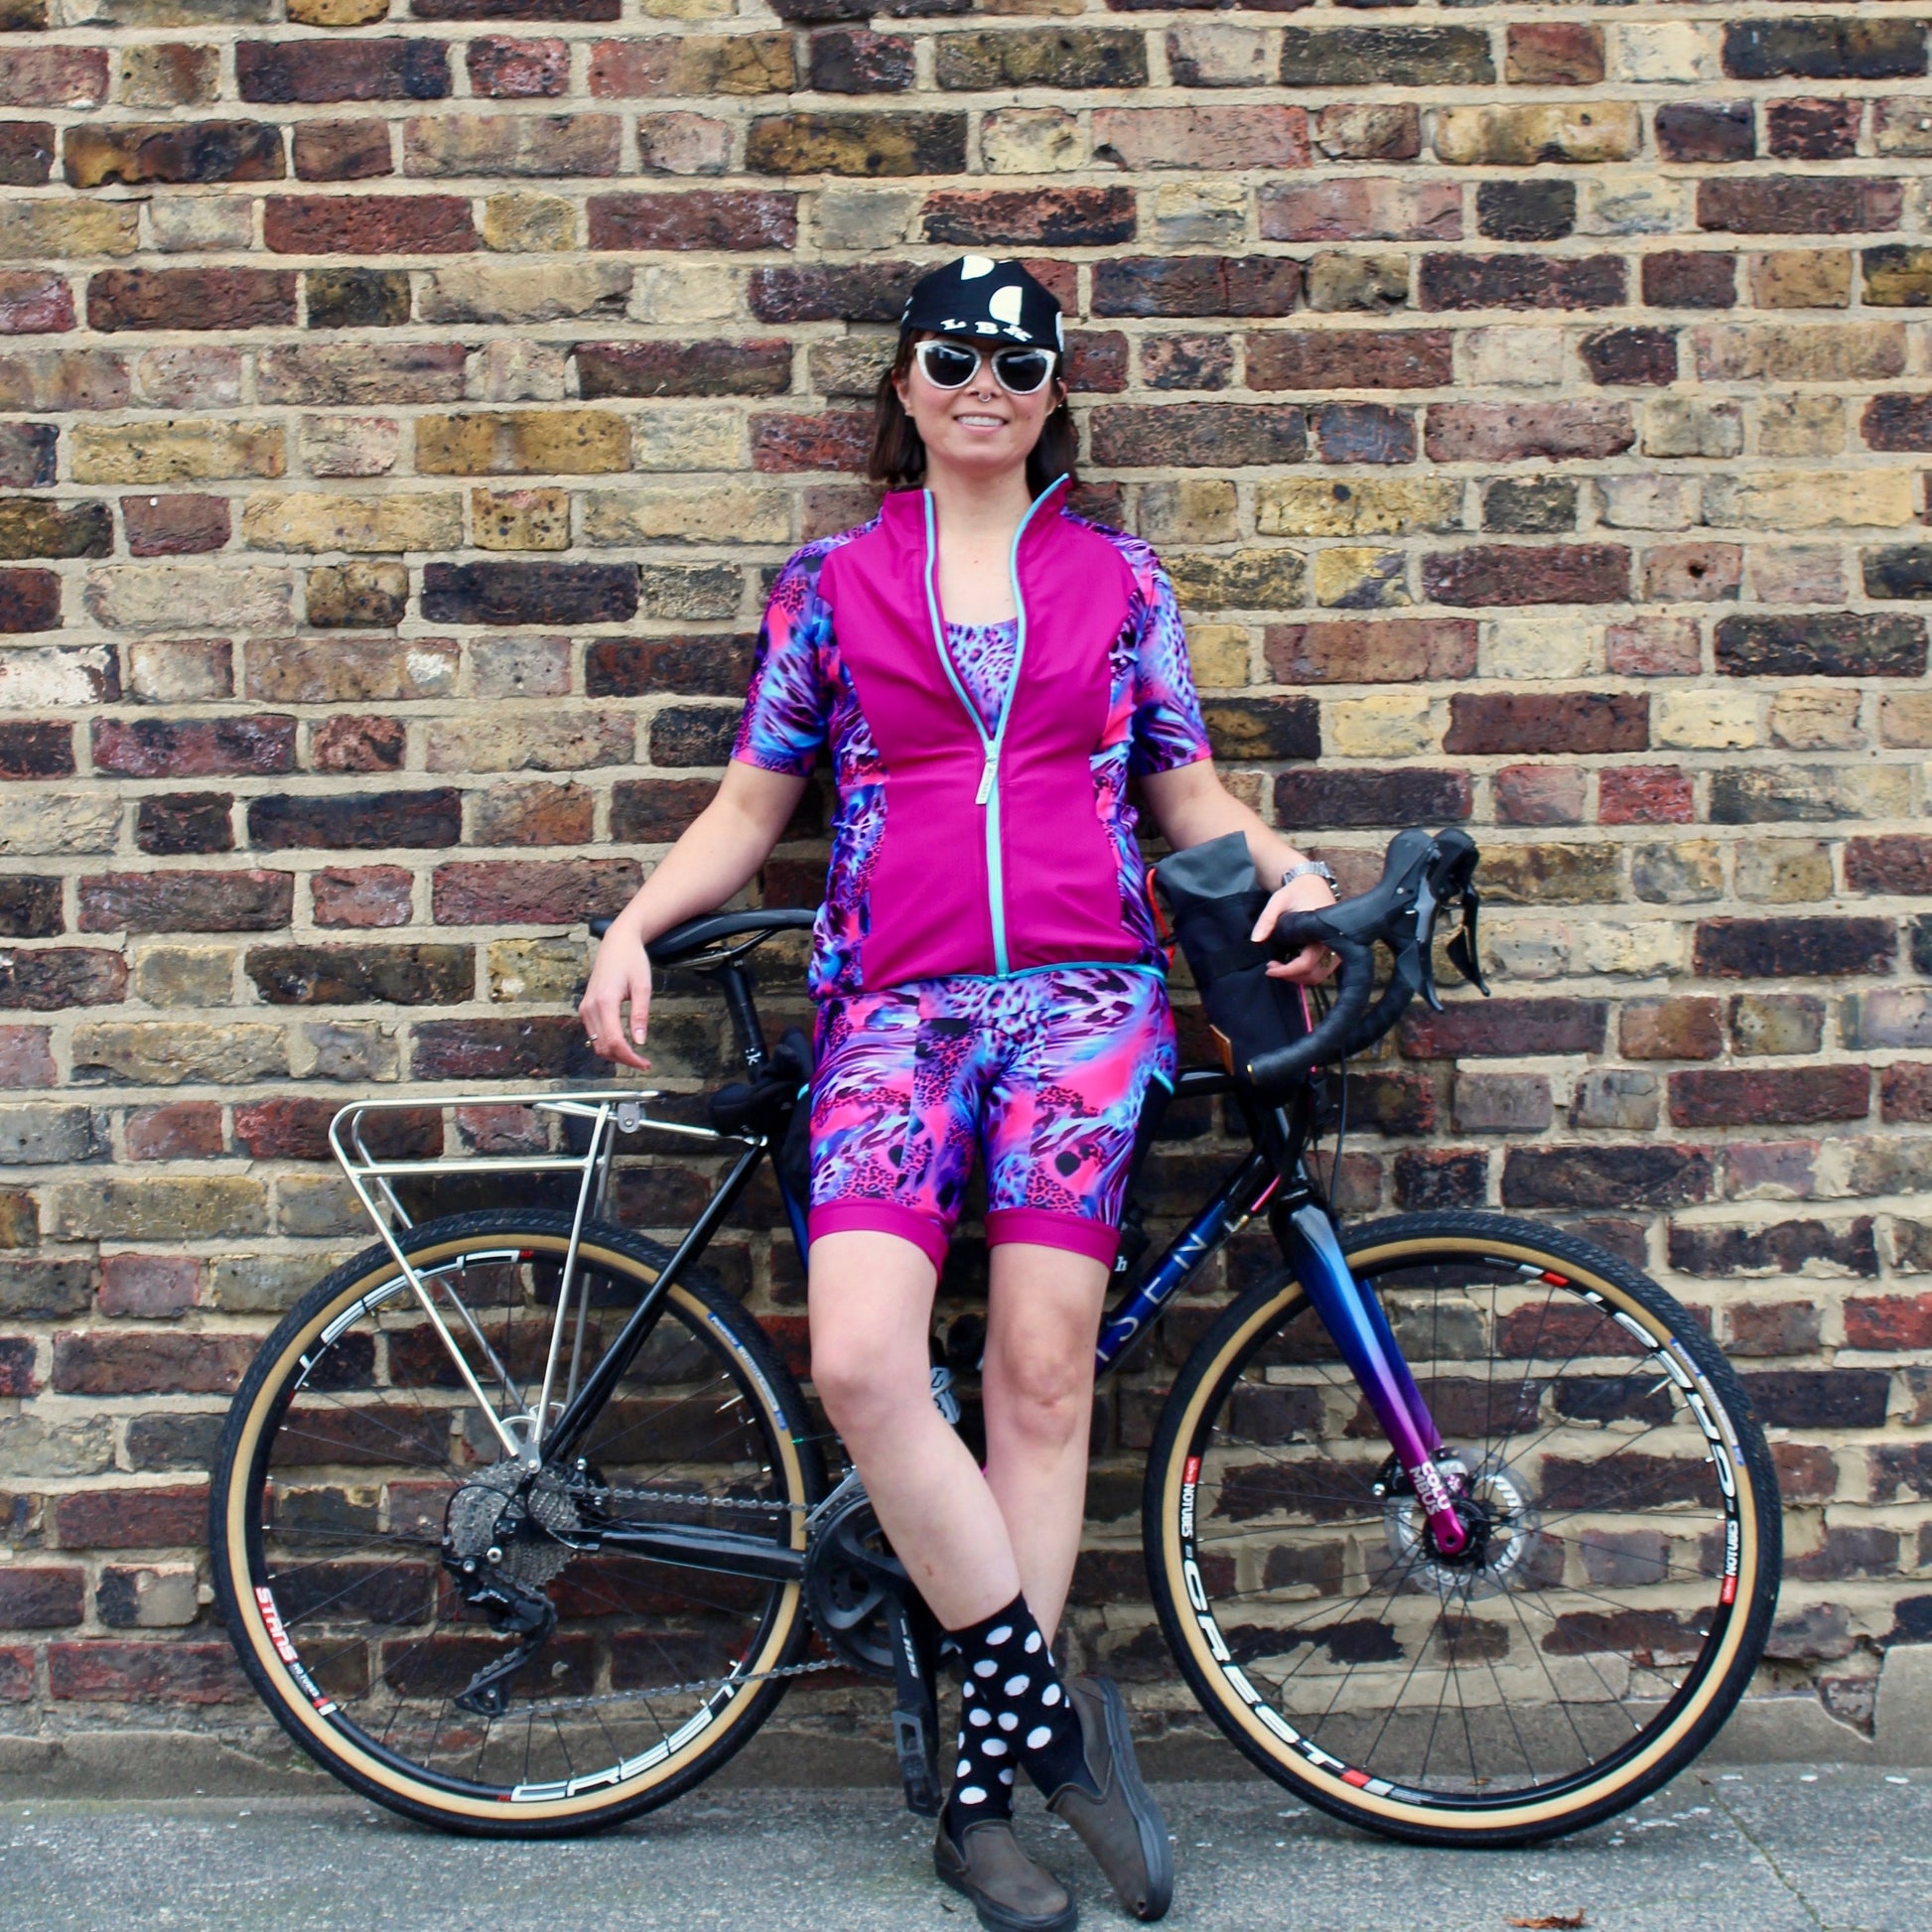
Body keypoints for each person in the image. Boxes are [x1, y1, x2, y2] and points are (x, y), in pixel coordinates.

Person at [580, 255, 1337, 1932]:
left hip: (1083, 1002)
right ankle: (1039, 1706)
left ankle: (978, 1796)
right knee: (859, 1359)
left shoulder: (1121, 581)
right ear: (905, 388)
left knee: (1040, 1374)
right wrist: (637, 920)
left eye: (1019, 358)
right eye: (952, 354)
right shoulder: (828, 587)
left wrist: (1298, 884)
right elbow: (748, 803)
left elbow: (1186, 793)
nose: (985, 379)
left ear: (1054, 393)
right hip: (893, 1010)